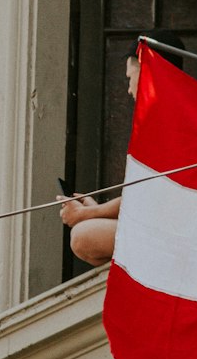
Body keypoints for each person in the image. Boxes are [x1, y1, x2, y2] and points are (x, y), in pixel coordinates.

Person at [59, 31, 187, 266]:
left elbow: (147, 195)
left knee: (82, 236)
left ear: (149, 72)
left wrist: (89, 214)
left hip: (175, 235)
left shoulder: (172, 121)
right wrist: (98, 210)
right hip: (163, 229)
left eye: (131, 77)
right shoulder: (167, 119)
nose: (129, 90)